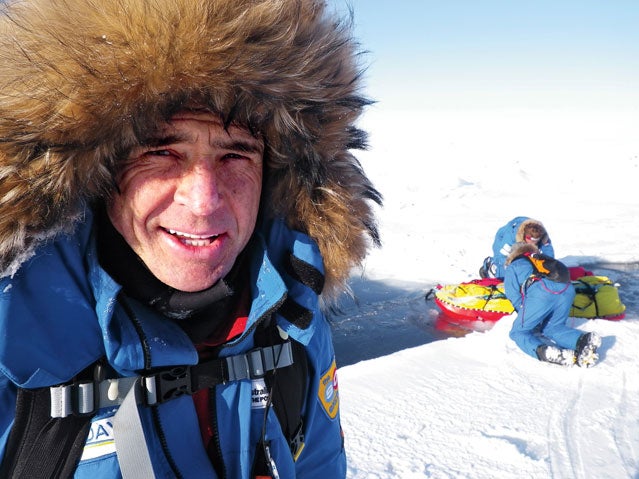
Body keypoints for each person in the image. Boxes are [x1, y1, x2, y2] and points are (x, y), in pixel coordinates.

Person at [0, 1, 382, 478]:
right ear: (92, 174)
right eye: (160, 151)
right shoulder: (14, 338)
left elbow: (319, 465)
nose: (203, 200)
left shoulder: (291, 322)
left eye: (237, 154)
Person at [503, 242, 601, 367]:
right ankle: (583, 341)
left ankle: (545, 352)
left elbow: (513, 294)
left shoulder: (514, 265)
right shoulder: (542, 260)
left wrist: (525, 312)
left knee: (518, 332)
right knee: (553, 327)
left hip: (542, 292)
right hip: (567, 289)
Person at [479, 216, 554, 279]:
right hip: (503, 239)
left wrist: (548, 267)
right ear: (525, 236)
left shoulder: (542, 235)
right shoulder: (510, 236)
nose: (534, 242)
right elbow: (501, 256)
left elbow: (548, 253)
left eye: (536, 240)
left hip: (523, 242)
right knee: (506, 272)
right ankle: (489, 266)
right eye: (531, 239)